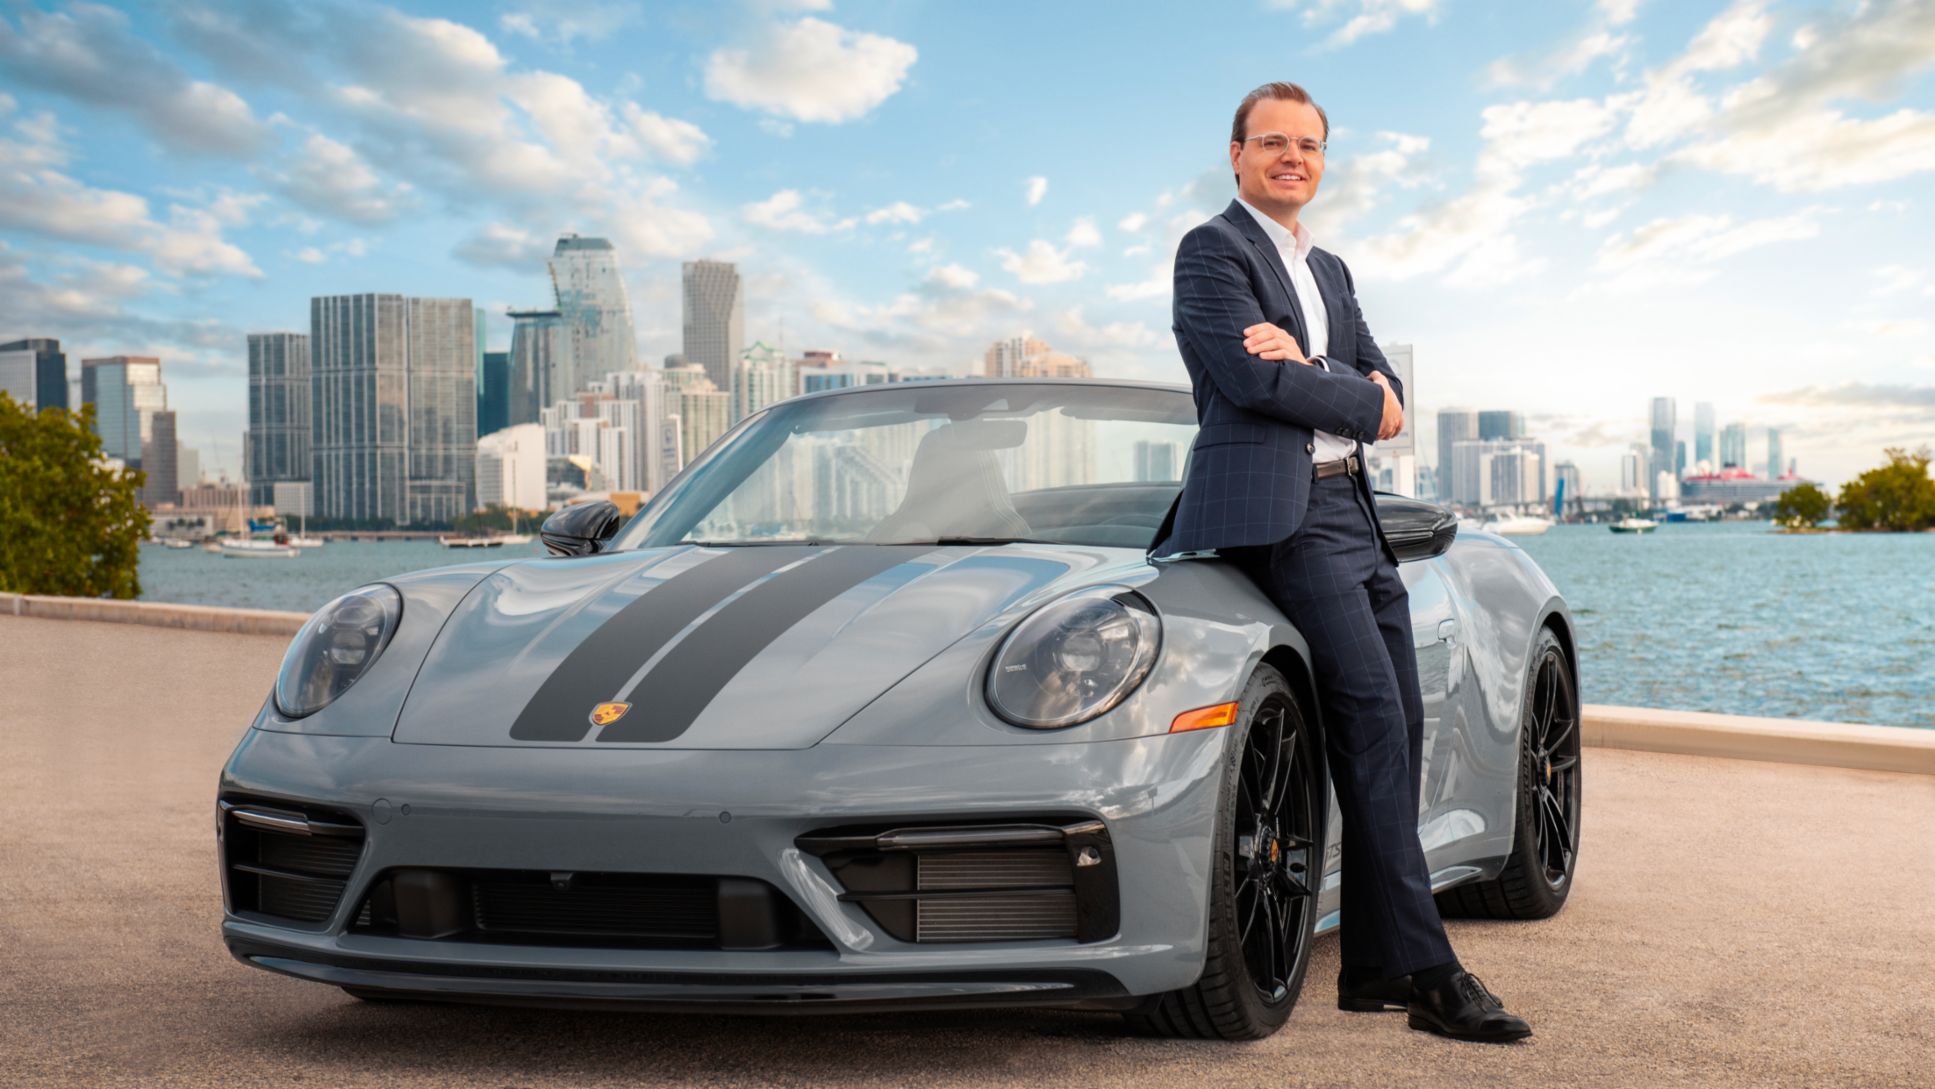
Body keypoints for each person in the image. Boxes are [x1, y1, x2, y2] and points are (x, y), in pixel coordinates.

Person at [1158, 80, 1532, 1044]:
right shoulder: (1211, 251)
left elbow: (1395, 401)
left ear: (1322, 161)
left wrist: (1317, 373)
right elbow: (1247, 379)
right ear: (1235, 154)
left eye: (1309, 146)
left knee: (1396, 724)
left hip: (1354, 514)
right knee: (1368, 714)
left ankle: (1368, 962)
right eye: (1272, 142)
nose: (1292, 158)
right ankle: (1427, 967)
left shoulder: (1328, 269)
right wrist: (1341, 386)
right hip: (1283, 519)